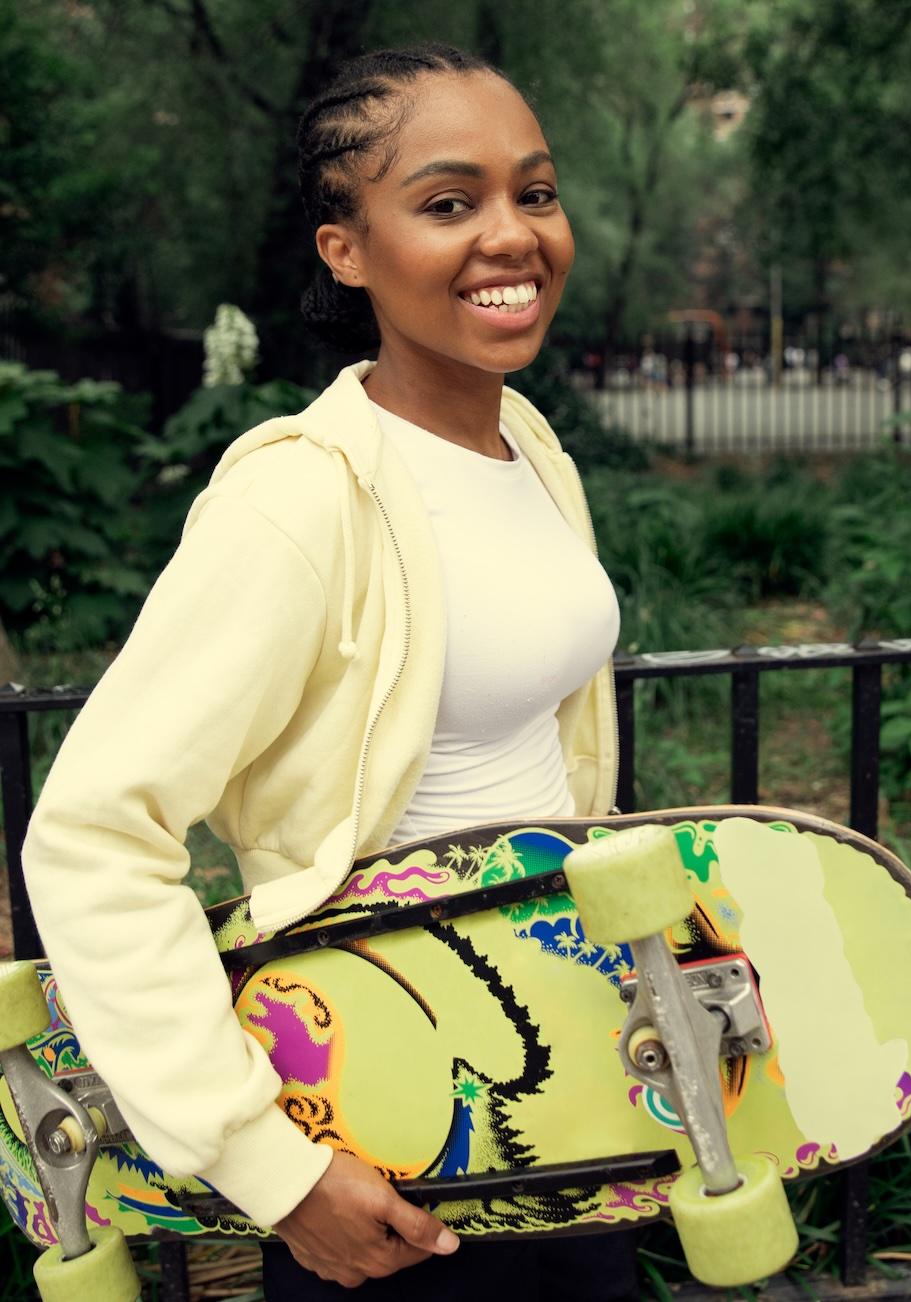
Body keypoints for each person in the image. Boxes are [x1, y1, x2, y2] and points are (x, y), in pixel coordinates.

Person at [22, 43, 634, 1301]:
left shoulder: (524, 440)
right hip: (396, 1130)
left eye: (536, 192)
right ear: (345, 249)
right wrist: (274, 1168)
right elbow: (89, 838)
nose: (513, 236)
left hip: (569, 1076)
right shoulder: (301, 499)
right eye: (449, 203)